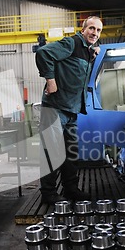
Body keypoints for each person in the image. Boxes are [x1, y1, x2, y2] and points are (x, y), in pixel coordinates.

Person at [35, 16, 103, 205]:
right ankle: (48, 193)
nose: (94, 33)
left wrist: (94, 53)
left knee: (71, 152)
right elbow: (43, 53)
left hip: (71, 110)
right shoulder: (71, 43)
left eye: (98, 30)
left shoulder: (88, 51)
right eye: (91, 28)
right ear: (83, 29)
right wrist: (50, 80)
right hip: (55, 107)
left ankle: (71, 188)